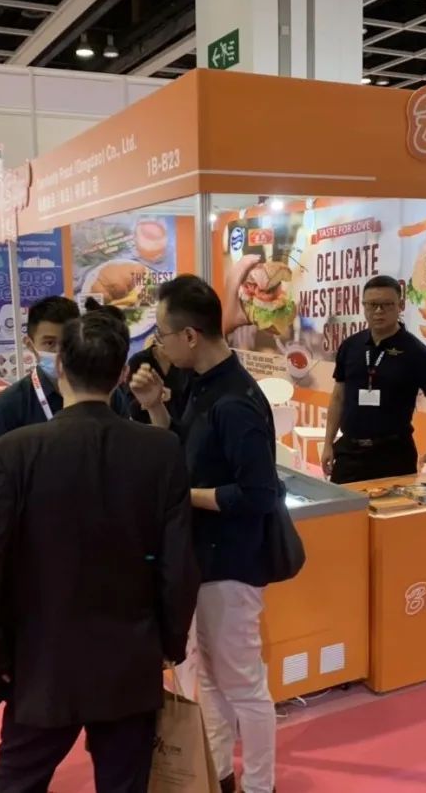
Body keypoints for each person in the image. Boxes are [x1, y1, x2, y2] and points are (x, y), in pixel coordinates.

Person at [0, 310, 198, 793]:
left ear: (60, 365)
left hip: (38, 663)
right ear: (123, 373)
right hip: (129, 659)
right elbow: (178, 567)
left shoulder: (12, 452)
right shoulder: (160, 450)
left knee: (19, 782)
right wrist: (167, 646)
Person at [130, 275, 279, 793]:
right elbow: (185, 452)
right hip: (202, 559)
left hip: (232, 565)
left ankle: (260, 785)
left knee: (244, 685)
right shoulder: (201, 385)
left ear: (190, 335)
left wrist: (183, 495)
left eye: (162, 335)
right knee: (210, 678)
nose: (159, 346)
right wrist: (155, 406)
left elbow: (258, 494)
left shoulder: (235, 401)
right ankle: (219, 774)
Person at [322, 275, 426, 483]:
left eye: (387, 305)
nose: (378, 311)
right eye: (372, 304)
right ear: (363, 306)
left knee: (395, 505)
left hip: (394, 455)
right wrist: (328, 443)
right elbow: (338, 397)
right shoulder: (350, 346)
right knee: (343, 504)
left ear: (400, 305)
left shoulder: (417, 353)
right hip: (349, 453)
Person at [0, 296, 128, 441]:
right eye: (50, 343)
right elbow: (0, 454)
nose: (60, 352)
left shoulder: (106, 394)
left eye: (67, 342)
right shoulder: (9, 404)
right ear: (30, 345)